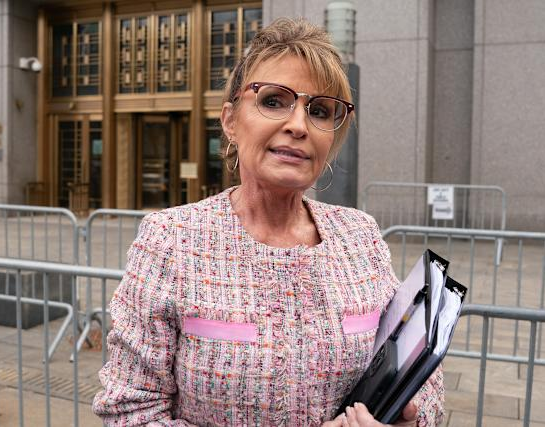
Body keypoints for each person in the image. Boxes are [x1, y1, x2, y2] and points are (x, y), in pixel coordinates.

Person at [92, 17, 444, 426]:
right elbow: (130, 410)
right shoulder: (172, 240)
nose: (298, 125)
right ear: (230, 121)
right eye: (274, 101)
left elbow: (422, 375)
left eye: (319, 110)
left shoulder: (359, 236)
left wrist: (408, 419)